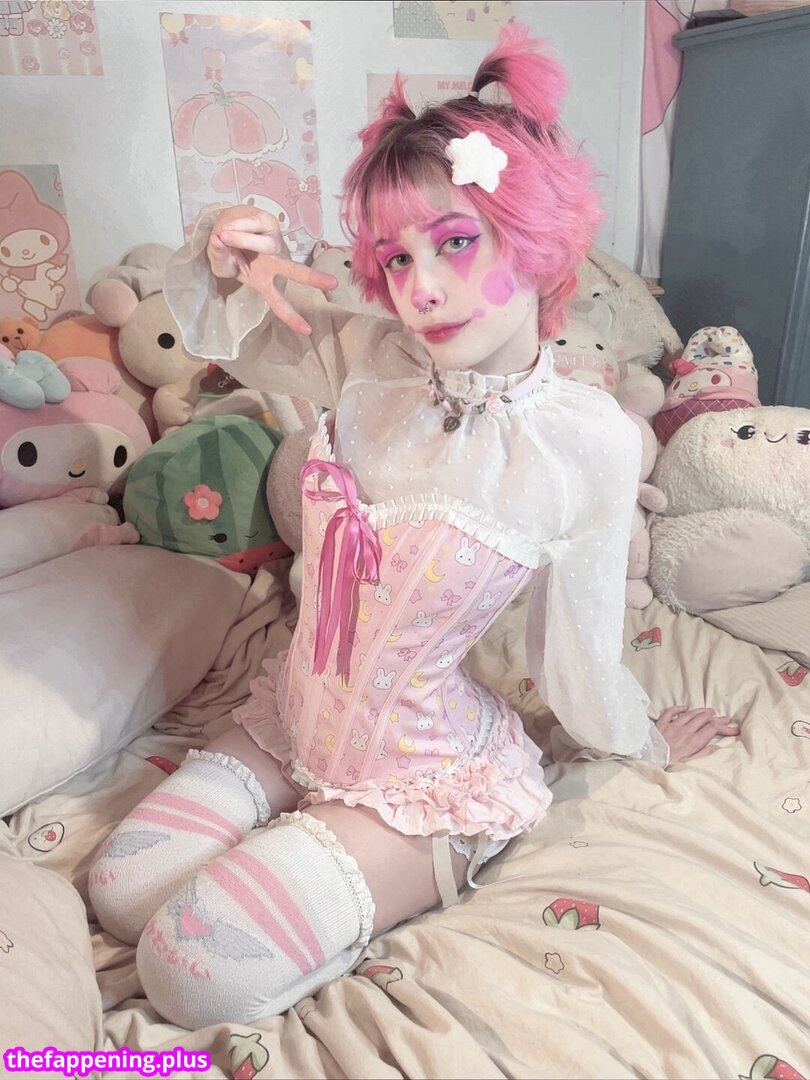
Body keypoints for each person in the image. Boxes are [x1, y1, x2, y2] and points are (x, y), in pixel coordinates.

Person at [88, 24, 738, 1028]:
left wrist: (639, 738)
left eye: (455, 241)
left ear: (533, 235)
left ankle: (381, 873)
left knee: (187, 968)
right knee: (120, 888)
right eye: (395, 256)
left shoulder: (588, 442)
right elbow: (238, 330)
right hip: (293, 715)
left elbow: (576, 644)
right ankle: (299, 848)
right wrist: (225, 246)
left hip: (427, 776)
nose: (421, 288)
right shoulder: (373, 362)